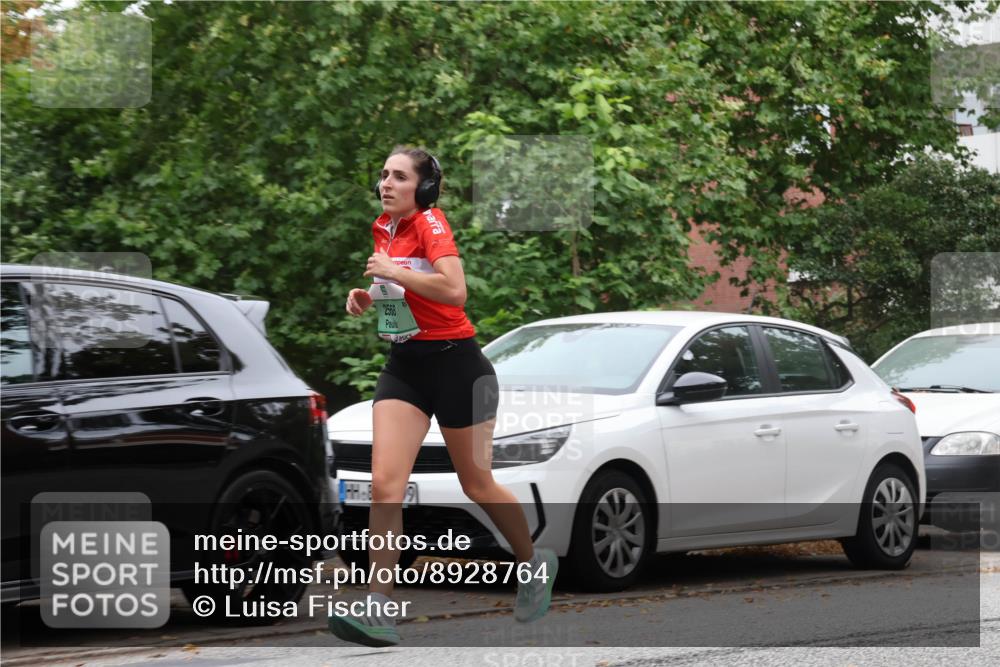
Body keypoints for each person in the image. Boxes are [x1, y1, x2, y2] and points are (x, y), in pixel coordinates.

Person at [328, 146, 558, 647]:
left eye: (399, 177)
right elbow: (405, 292)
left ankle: (532, 562)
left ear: (423, 188)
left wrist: (396, 274)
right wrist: (370, 296)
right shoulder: (382, 228)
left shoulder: (432, 223)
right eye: (383, 175)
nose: (386, 183)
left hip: (457, 366)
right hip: (405, 367)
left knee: (477, 484)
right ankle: (379, 607)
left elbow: (454, 291)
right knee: (386, 485)